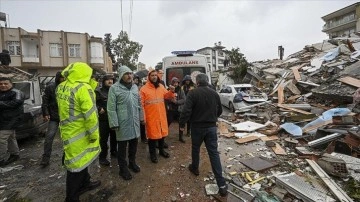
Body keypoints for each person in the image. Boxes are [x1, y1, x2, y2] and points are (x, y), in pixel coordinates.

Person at [56, 62, 101, 201]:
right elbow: (90, 115)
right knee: (75, 166)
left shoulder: (61, 86)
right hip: (81, 132)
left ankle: (85, 183)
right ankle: (71, 197)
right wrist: (94, 134)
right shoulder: (83, 88)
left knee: (82, 160)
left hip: (68, 131)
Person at [179, 73, 228, 197]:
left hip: (197, 128)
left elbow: (186, 111)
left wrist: (182, 123)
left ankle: (195, 168)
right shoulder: (214, 93)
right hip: (211, 128)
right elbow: (220, 111)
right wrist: (212, 118)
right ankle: (221, 185)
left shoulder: (193, 93)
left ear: (197, 82)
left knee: (196, 148)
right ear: (207, 81)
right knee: (214, 153)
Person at [107, 65, 144, 180]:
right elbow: (111, 107)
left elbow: (139, 103)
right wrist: (114, 123)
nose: (129, 76)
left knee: (134, 144)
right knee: (122, 147)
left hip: (134, 121)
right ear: (121, 75)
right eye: (126, 74)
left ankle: (132, 163)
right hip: (122, 122)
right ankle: (123, 169)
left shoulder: (134, 87)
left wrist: (141, 117)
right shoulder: (114, 88)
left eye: (130, 73)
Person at [140, 70, 175, 163]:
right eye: (152, 75)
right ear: (149, 77)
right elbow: (141, 105)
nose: (154, 77)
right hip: (151, 117)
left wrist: (171, 91)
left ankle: (161, 151)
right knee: (152, 138)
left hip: (161, 116)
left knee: (162, 135)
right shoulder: (143, 89)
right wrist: (143, 117)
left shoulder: (161, 86)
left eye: (156, 75)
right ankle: (153, 155)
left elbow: (167, 96)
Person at [40, 72, 64, 167]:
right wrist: (45, 113)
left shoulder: (69, 87)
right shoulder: (51, 87)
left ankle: (66, 157)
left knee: (67, 138)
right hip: (54, 117)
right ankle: (46, 158)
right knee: (49, 137)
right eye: (62, 77)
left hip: (66, 117)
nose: (63, 79)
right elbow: (45, 101)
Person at [0, 77, 24, 167]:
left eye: (5, 83)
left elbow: (16, 102)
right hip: (3, 121)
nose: (3, 85)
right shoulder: (2, 93)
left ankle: (1, 159)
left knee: (1, 140)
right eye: (1, 84)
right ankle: (15, 154)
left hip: (11, 120)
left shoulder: (16, 92)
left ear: (11, 84)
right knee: (11, 138)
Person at [95, 74, 117, 166]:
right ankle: (102, 157)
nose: (110, 81)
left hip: (113, 118)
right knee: (103, 139)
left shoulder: (115, 90)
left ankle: (114, 151)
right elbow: (92, 103)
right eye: (108, 79)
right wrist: (99, 108)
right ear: (104, 81)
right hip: (103, 120)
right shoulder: (98, 91)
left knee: (114, 137)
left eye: (111, 79)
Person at [167, 77, 186, 143]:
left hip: (179, 110)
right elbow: (165, 98)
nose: (175, 84)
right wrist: (171, 100)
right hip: (171, 110)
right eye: (174, 83)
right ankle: (164, 135)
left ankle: (181, 137)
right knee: (168, 122)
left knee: (181, 123)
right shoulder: (168, 90)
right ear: (172, 83)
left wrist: (177, 102)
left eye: (177, 83)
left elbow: (184, 99)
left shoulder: (181, 90)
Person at [134, 74, 147, 143]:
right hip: (135, 107)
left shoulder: (140, 86)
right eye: (135, 78)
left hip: (140, 106)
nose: (136, 80)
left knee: (142, 124)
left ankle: (143, 137)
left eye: (137, 78)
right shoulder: (132, 86)